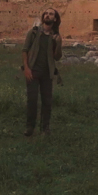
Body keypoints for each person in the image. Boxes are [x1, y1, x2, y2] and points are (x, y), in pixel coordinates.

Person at [22, 8, 62, 137]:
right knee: (32, 100)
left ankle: (45, 128)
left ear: (55, 19)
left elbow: (57, 57)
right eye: (46, 13)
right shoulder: (33, 33)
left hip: (47, 73)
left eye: (51, 14)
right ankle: (30, 127)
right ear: (43, 17)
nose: (48, 15)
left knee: (47, 102)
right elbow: (24, 50)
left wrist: (59, 43)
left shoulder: (55, 36)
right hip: (33, 71)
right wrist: (26, 68)